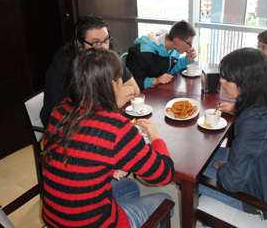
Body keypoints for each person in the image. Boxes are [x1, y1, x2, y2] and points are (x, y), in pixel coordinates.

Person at [41, 48, 174, 228]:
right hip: (96, 225)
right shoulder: (116, 128)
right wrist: (156, 138)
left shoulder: (60, 110)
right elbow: (163, 175)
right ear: (112, 84)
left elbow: (84, 148)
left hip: (55, 220)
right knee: (165, 200)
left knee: (130, 186)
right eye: (119, 79)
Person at [199, 48, 267, 220]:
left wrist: (224, 166)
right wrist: (237, 110)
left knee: (190, 178)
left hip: (263, 200)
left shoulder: (256, 120)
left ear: (246, 82)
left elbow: (231, 183)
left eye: (227, 78)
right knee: (206, 156)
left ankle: (213, 218)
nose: (222, 80)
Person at [40, 14, 140, 127]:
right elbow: (62, 119)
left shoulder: (108, 56)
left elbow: (135, 89)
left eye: (106, 40)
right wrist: (113, 103)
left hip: (95, 118)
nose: (104, 47)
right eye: (96, 42)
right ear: (79, 45)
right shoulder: (62, 70)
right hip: (64, 128)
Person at [126, 20, 197, 91]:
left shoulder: (174, 49)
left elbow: (169, 71)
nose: (190, 47)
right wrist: (154, 81)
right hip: (142, 96)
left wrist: (186, 60)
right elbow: (130, 83)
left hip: (159, 93)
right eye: (189, 43)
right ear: (177, 41)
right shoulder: (141, 51)